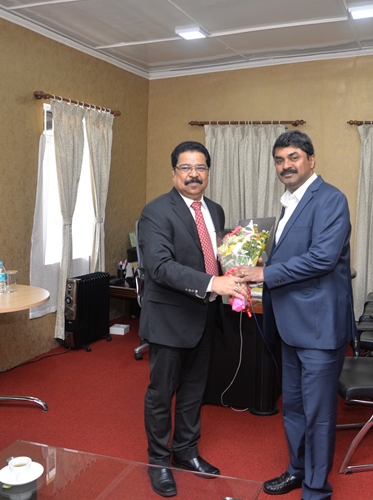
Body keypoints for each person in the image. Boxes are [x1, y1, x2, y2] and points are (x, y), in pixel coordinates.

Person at [236, 130, 354, 500]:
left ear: (311, 160)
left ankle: (316, 489)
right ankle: (297, 470)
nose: (285, 166)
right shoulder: (288, 202)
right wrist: (260, 262)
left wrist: (265, 274)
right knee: (294, 408)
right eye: (279, 160)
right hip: (290, 326)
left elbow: (322, 258)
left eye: (293, 158)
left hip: (319, 327)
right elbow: (293, 254)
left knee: (318, 414)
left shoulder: (331, 199)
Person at [137, 141, 246, 497]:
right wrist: (214, 283)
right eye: (186, 168)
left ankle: (186, 451)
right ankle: (158, 461)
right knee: (161, 394)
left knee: (194, 392)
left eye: (200, 168)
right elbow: (160, 267)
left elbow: (213, 257)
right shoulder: (155, 212)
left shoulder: (215, 210)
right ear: (174, 173)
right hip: (170, 320)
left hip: (206, 315)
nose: (193, 174)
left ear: (208, 173)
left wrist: (240, 266)